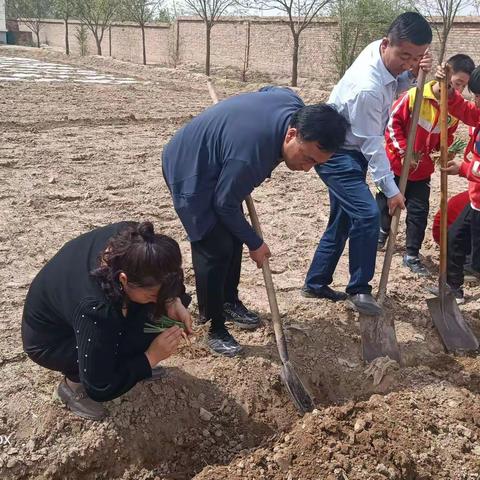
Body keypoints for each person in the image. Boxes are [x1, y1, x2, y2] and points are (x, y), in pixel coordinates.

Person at [162, 86, 349, 357]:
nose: (308, 168)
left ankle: (228, 301)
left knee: (233, 236)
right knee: (214, 246)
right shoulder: (251, 156)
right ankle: (212, 325)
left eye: (317, 163)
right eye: (307, 157)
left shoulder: (292, 104)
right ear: (291, 133)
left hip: (225, 162)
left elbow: (269, 90)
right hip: (190, 168)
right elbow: (224, 204)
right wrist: (256, 242)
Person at [303, 12, 432, 315]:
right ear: (387, 43)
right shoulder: (367, 88)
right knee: (366, 216)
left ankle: (315, 283)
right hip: (336, 154)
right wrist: (390, 190)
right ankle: (359, 289)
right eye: (405, 56)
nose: (409, 63)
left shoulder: (380, 52)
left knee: (343, 220)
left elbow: (397, 82)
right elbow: (373, 145)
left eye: (417, 57)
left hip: (352, 149)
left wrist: (414, 75)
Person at [22, 221, 193, 420]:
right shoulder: (96, 309)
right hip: (52, 341)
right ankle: (72, 387)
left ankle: (131, 366)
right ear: (123, 279)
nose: (158, 301)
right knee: (131, 339)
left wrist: (173, 300)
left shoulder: (135, 242)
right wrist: (150, 358)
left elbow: (167, 279)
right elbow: (100, 387)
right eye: (153, 295)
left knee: (154, 319)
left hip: (74, 308)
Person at [377, 54, 475, 277]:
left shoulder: (453, 110)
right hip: (396, 165)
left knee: (419, 212)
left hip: (423, 170)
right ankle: (382, 231)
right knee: (387, 204)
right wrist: (404, 151)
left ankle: (411, 254)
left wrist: (444, 150)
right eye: (457, 83)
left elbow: (448, 135)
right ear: (446, 75)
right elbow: (392, 124)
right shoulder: (415, 96)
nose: (459, 90)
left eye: (463, 86)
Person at [438, 66, 480, 303]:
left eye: (479, 96)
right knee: (454, 237)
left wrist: (463, 168)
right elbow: (466, 110)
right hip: (476, 199)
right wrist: (448, 91)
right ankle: (453, 290)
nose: (476, 100)